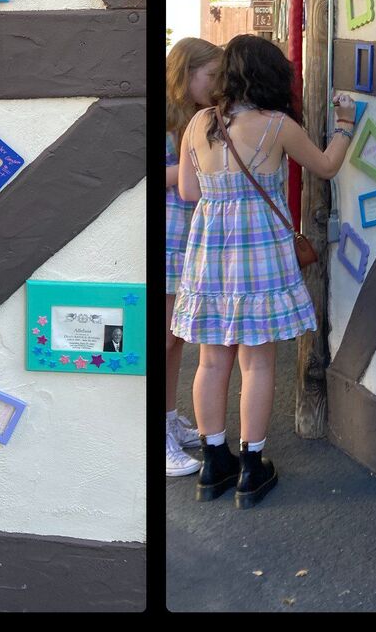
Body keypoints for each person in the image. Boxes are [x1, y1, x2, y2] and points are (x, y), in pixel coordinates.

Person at [172, 34, 358, 506]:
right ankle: (251, 466)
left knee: (212, 360)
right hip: (260, 252)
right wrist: (344, 126)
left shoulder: (198, 123)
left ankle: (214, 462)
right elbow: (326, 166)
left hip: (210, 248)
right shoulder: (276, 125)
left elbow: (190, 193)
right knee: (257, 361)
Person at [164, 36, 225, 478]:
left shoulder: (195, 116)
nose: (217, 85)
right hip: (169, 237)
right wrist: (193, 164)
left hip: (188, 238)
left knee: (176, 341)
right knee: (164, 340)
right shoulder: (168, 117)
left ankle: (168, 419)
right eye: (211, 76)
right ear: (185, 74)